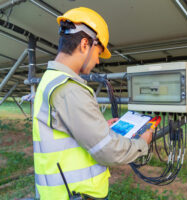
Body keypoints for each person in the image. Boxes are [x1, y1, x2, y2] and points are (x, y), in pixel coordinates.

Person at [32, 7, 153, 200]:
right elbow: (108, 151)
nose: (97, 60)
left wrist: (98, 128)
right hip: (75, 194)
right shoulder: (69, 89)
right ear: (84, 44)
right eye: (98, 51)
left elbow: (65, 130)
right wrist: (142, 143)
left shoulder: (51, 79)